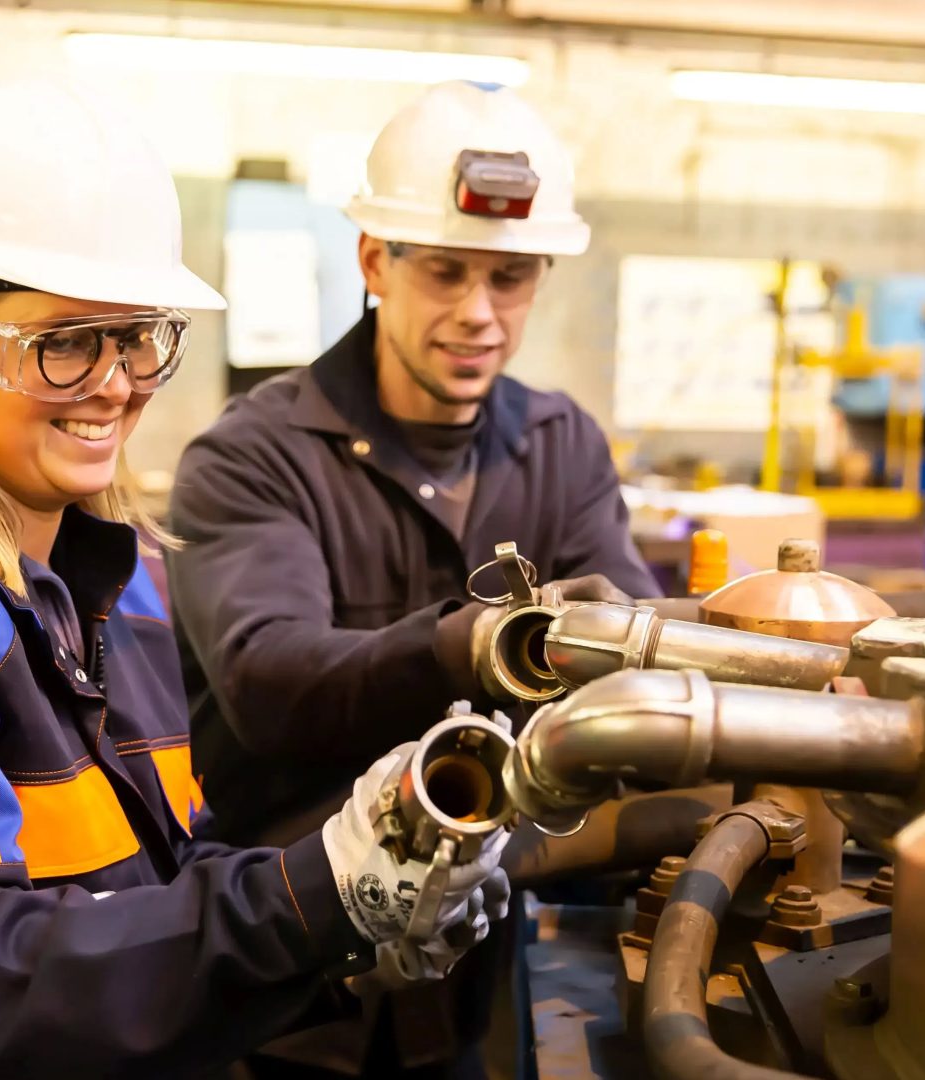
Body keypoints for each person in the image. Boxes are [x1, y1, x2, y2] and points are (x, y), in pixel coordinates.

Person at [0, 78, 508, 1080]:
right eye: (64, 345)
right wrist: (311, 896)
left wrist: (356, 930)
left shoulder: (114, 579)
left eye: (138, 336)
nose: (117, 382)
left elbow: (155, 894)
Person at [167, 81, 659, 1075]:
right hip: (284, 975)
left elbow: (633, 678)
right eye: (445, 271)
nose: (478, 313)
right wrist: (478, 642)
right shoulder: (255, 455)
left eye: (511, 277)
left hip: (484, 958)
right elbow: (270, 679)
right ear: (373, 263)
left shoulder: (562, 448)